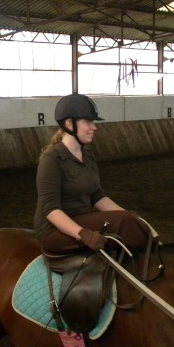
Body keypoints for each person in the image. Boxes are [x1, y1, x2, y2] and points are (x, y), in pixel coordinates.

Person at [34, 93, 151, 255]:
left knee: (131, 221)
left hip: (82, 217)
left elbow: (97, 196)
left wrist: (127, 216)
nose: (94, 127)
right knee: (123, 222)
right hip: (54, 230)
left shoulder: (87, 155)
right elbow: (51, 210)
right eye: (88, 122)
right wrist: (84, 234)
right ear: (69, 124)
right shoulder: (51, 161)